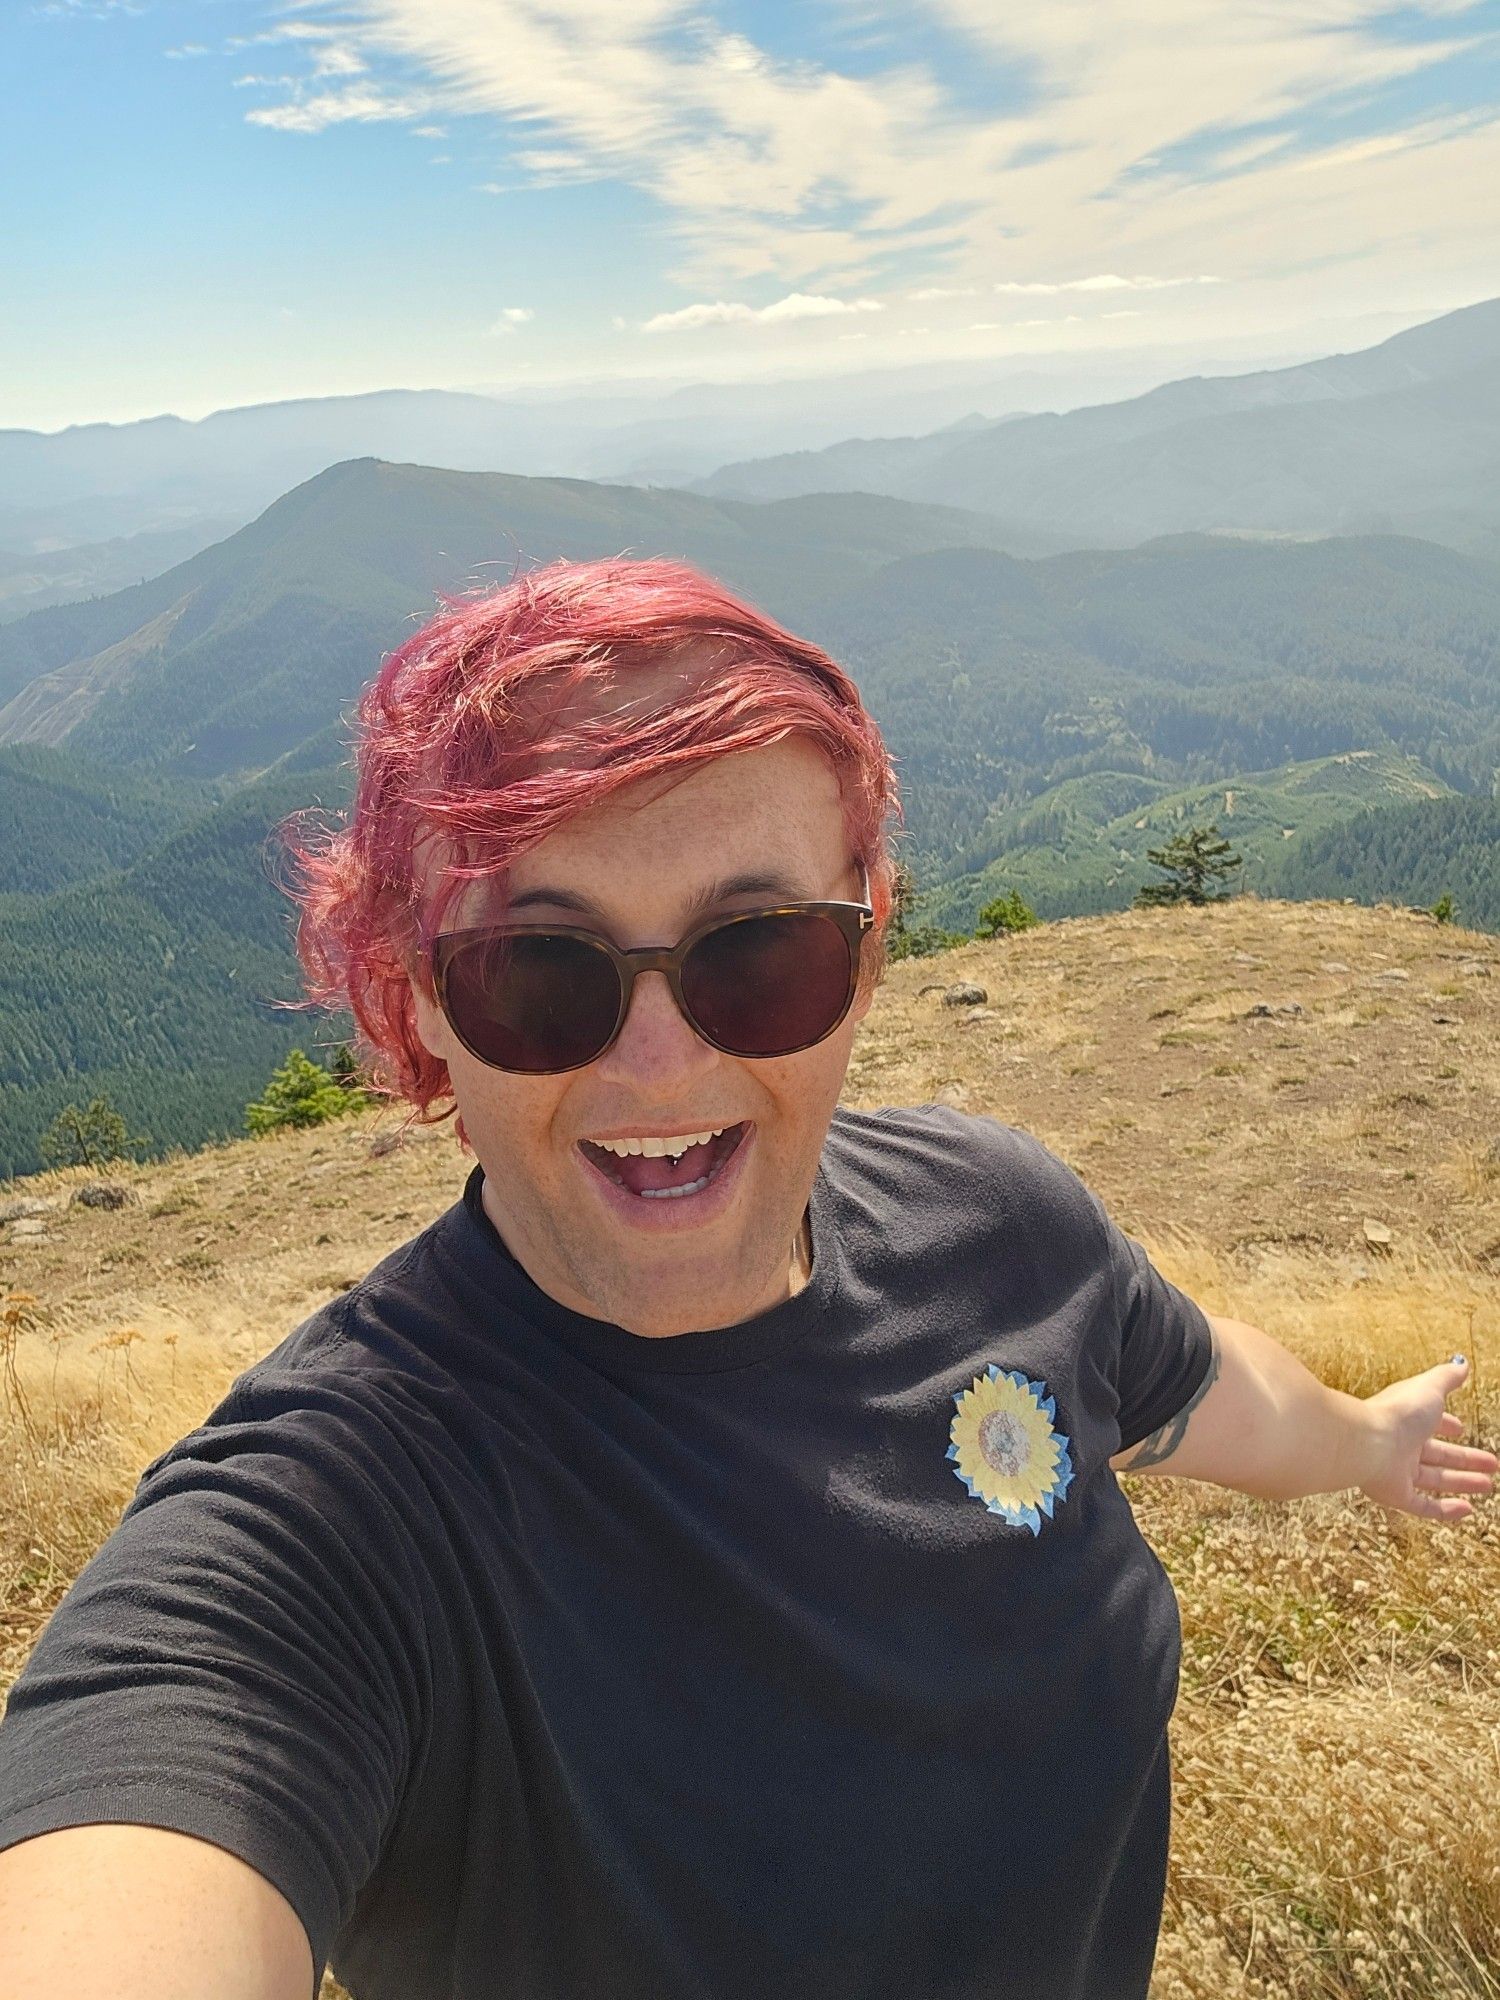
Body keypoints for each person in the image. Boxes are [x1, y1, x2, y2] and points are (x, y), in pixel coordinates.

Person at [0, 558, 1492, 2000]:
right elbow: (144, 1833)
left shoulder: (1002, 1223)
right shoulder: (338, 1518)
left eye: (759, 951)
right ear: (415, 1000)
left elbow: (1189, 1388)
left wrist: (1369, 1441)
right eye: (538, 970)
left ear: (869, 944)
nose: (663, 1061)